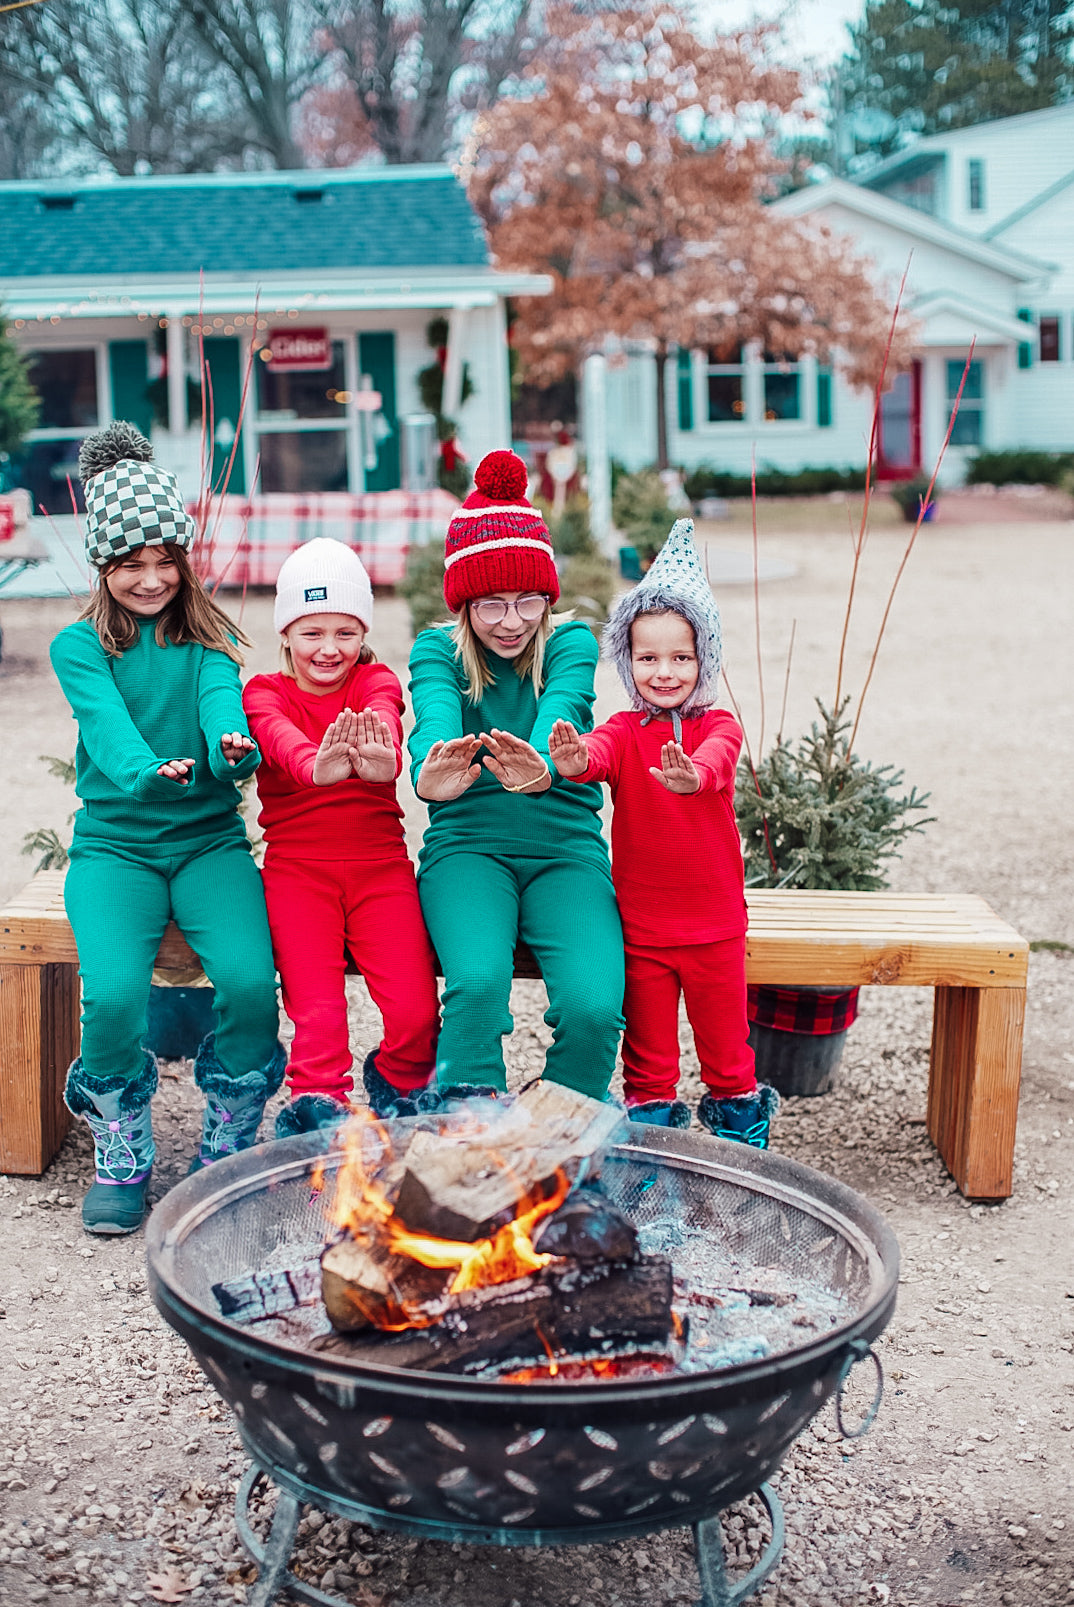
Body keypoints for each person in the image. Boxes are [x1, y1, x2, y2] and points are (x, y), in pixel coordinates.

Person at [50, 422, 284, 1236]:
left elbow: (222, 704)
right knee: (113, 993)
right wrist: (148, 769)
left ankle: (227, 1129)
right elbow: (107, 728)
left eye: (164, 560)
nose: (151, 579)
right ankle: (121, 1137)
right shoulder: (80, 647)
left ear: (185, 561)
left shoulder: (209, 641)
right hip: (116, 845)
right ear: (104, 568)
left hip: (207, 841)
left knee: (253, 982)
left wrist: (231, 750)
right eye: (130, 565)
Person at [548, 519, 778, 1147]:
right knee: (648, 1063)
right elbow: (594, 754)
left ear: (705, 658)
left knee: (729, 1056)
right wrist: (571, 762)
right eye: (647, 658)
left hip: (714, 929)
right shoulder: (625, 731)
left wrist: (693, 777)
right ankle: (654, 1157)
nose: (665, 672)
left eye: (681, 657)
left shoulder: (718, 727)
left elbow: (716, 765)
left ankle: (739, 1147)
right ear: (627, 660)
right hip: (644, 932)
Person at [408, 448, 624, 1100]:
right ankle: (468, 1131)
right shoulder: (435, 649)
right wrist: (430, 770)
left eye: (529, 600)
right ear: (464, 603)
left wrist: (537, 762)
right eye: (491, 604)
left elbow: (564, 709)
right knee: (475, 983)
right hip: (468, 848)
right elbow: (435, 725)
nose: (512, 621)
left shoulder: (571, 641)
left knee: (593, 1004)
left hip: (565, 852)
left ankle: (554, 1131)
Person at [242, 538, 440, 1131]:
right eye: (312, 632)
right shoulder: (264, 693)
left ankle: (402, 1081)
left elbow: (383, 716)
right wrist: (314, 767)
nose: (329, 649)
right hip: (298, 873)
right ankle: (318, 1105)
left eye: (345, 632)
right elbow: (276, 736)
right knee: (318, 1010)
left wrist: (383, 754)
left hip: (380, 868)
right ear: (285, 633)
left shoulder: (374, 681)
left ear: (362, 633)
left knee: (413, 1007)